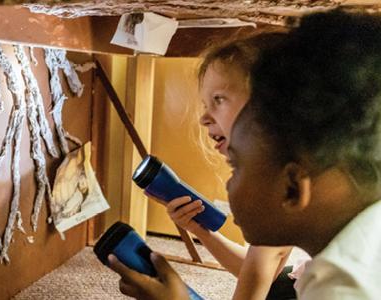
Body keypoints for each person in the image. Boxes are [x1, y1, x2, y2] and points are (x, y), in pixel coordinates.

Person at [109, 9, 381, 299]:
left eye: (236, 167)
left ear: (291, 188)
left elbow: (256, 279)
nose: (227, 185)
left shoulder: (340, 288)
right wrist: (203, 232)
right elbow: (258, 268)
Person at [156, 33, 300, 299]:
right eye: (206, 104)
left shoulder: (283, 196)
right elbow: (259, 273)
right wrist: (202, 231)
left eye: (219, 100)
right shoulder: (295, 169)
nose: (204, 118)